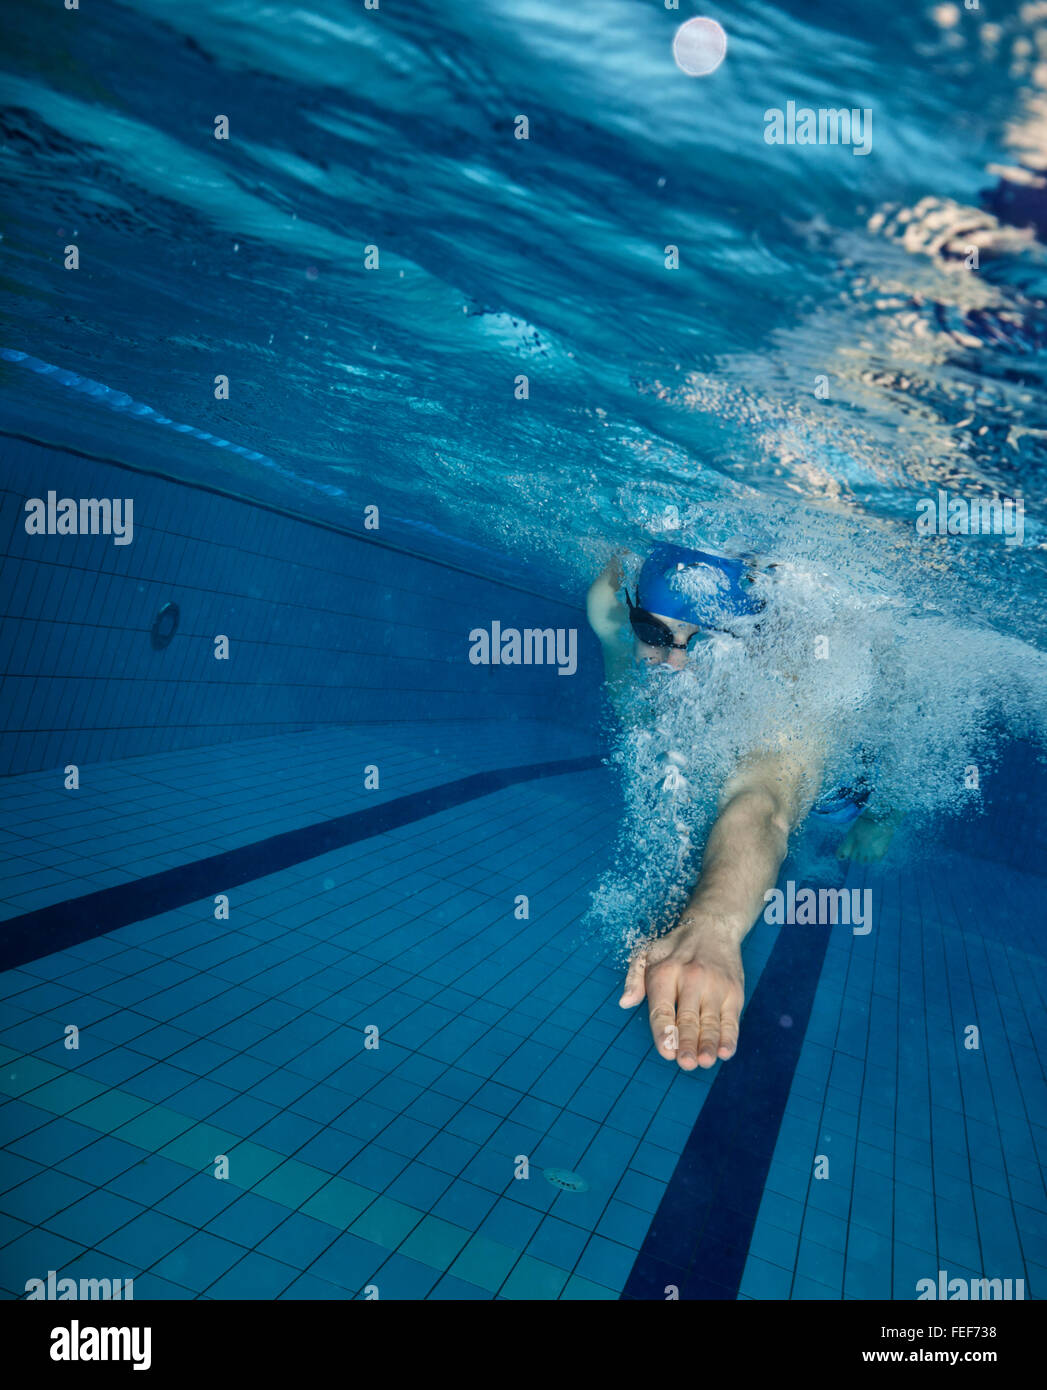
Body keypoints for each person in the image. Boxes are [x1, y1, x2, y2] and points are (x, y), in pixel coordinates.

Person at [586, 542, 901, 1072]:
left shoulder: (786, 685)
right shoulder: (612, 610)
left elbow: (762, 805)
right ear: (636, 611)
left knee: (851, 798)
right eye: (656, 634)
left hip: (839, 780)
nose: (675, 661)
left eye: (701, 643)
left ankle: (885, 813)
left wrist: (716, 923)